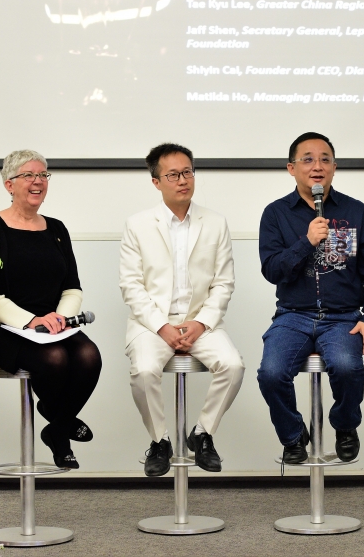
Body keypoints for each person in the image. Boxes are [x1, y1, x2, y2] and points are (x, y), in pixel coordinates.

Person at [0, 150, 102, 469]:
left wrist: (59, 318)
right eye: (28, 175)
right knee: (54, 359)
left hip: (55, 324)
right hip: (5, 326)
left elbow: (72, 287)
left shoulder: (56, 229)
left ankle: (56, 426)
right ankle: (61, 426)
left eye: (43, 175)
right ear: (9, 184)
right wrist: (30, 321)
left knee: (89, 356)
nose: (38, 181)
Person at [257, 132, 364, 464]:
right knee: (270, 373)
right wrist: (307, 242)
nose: (317, 166)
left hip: (343, 316)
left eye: (325, 159)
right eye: (308, 159)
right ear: (291, 168)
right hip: (292, 315)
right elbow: (271, 270)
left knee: (347, 367)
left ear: (334, 167)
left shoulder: (356, 211)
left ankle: (345, 425)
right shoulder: (275, 214)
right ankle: (293, 435)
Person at [120, 143, 244, 477]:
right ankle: (160, 440)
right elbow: (131, 286)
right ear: (156, 181)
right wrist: (162, 327)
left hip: (200, 321)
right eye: (173, 174)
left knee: (233, 366)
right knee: (144, 370)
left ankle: (202, 434)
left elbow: (224, 283)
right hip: (151, 324)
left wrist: (201, 323)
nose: (183, 180)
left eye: (187, 172)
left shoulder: (215, 222)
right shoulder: (137, 224)